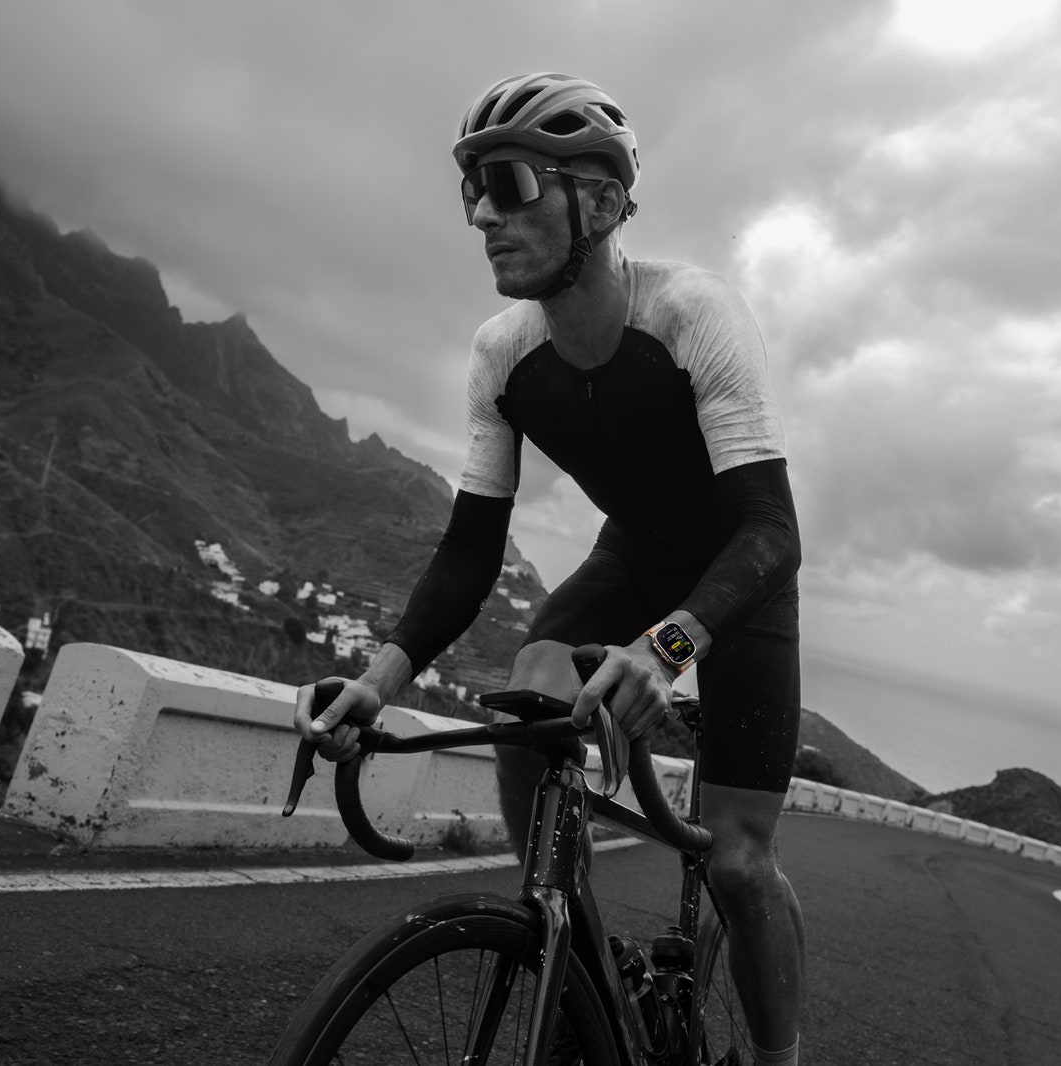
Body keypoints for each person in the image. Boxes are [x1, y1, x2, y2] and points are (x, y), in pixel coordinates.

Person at [294, 72, 804, 1066]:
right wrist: (378, 683)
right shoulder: (501, 353)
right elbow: (469, 548)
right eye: (472, 190)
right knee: (531, 687)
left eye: (513, 183)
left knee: (738, 863)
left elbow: (769, 532)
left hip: (738, 585)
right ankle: (567, 961)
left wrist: (669, 642)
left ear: (604, 203)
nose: (486, 213)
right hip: (634, 559)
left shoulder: (694, 313)